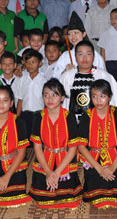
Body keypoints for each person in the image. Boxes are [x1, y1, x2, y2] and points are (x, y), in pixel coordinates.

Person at [77, 79, 117, 208]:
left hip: (113, 157)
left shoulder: (116, 113)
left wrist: (113, 166)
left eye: (102, 96)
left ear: (109, 97)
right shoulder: (87, 115)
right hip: (93, 159)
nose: (98, 101)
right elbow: (81, 145)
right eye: (94, 96)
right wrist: (99, 169)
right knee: (98, 199)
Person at [29, 78, 83, 208]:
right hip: (45, 159)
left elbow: (72, 148)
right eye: (46, 95)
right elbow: (37, 148)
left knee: (69, 198)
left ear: (62, 98)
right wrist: (48, 172)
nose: (50, 99)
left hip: (65, 159)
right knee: (41, 198)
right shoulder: (38, 117)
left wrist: (57, 173)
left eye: (55, 95)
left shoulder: (69, 117)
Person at [60, 40, 117, 124]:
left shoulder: (104, 76)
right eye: (80, 54)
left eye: (88, 54)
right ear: (75, 57)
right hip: (71, 123)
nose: (84, 58)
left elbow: (115, 102)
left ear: (94, 56)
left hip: (98, 123)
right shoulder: (66, 76)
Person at [14, 49, 48, 136]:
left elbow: (46, 101)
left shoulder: (44, 81)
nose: (30, 65)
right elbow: (20, 100)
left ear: (40, 63)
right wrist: (17, 118)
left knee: (38, 139)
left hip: (39, 115)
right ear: (24, 64)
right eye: (28, 62)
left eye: (33, 62)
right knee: (26, 139)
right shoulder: (22, 80)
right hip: (25, 115)